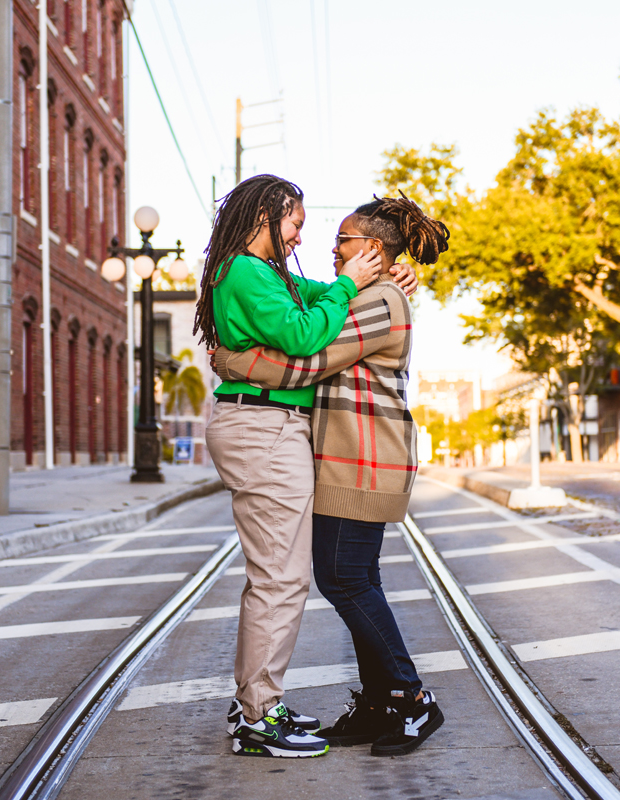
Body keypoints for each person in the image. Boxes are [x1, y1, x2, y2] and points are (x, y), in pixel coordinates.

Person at [212, 193, 449, 757]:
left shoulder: (379, 301)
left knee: (344, 579)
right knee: (354, 577)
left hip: (362, 460)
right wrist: (364, 279)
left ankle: (412, 699)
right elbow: (309, 311)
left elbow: (309, 359)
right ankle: (376, 703)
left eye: (342, 240)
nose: (328, 247)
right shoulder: (364, 295)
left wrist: (235, 362)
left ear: (369, 248)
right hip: (348, 458)